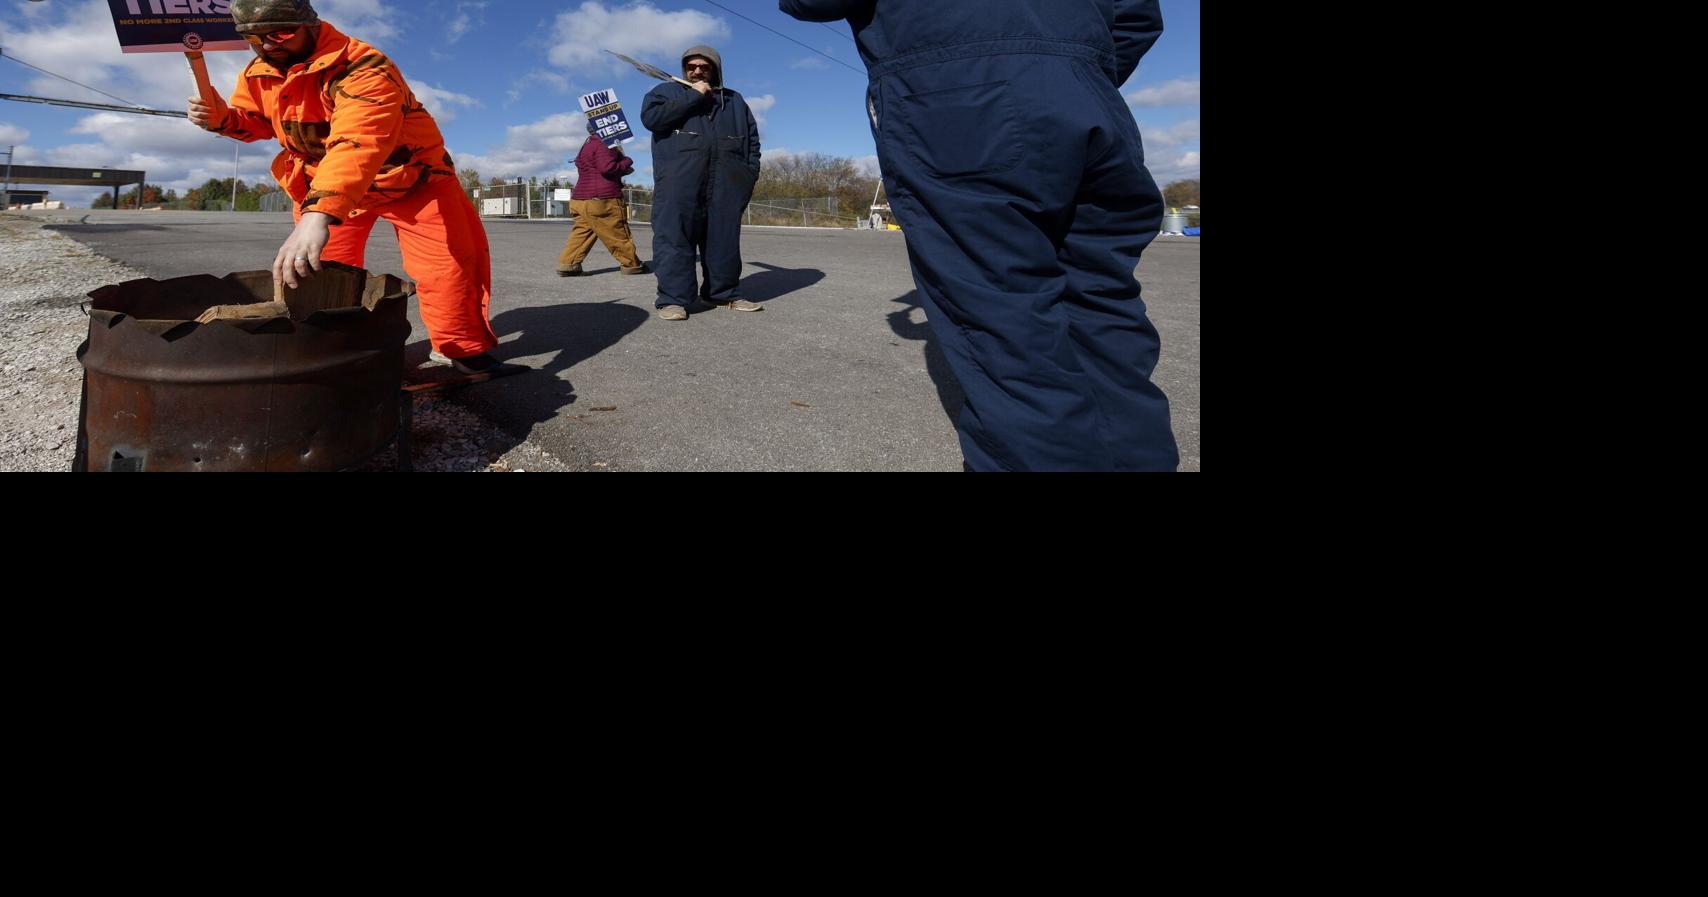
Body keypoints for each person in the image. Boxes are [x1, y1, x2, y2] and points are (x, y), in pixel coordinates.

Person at [780, 0, 1178, 471]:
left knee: (1006, 324)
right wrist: (1064, 65)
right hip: (1086, 88)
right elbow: (1138, 16)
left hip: (957, 98)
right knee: (1100, 306)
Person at [187, 0, 519, 376]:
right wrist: (221, 119)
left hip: (412, 178)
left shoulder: (364, 65)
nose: (268, 45)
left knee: (450, 267)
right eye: (254, 38)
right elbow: (257, 123)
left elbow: (358, 141)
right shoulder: (257, 72)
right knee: (320, 272)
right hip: (327, 183)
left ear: (309, 24)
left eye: (280, 33)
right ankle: (328, 347)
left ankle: (461, 351)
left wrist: (317, 216)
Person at [640, 45, 763, 321]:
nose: (697, 71)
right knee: (674, 239)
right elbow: (652, 119)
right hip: (678, 184)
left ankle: (723, 293)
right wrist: (693, 97)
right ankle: (673, 300)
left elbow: (752, 141)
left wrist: (747, 174)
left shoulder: (734, 101)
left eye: (704, 67)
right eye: (691, 66)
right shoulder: (665, 93)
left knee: (724, 241)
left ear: (715, 70)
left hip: (726, 184)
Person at [557, 124, 646, 277]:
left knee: (583, 232)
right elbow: (606, 168)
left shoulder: (587, 144)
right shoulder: (604, 143)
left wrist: (621, 169)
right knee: (617, 233)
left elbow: (597, 169)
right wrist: (627, 161)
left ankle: (568, 264)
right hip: (602, 199)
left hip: (580, 198)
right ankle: (631, 264)